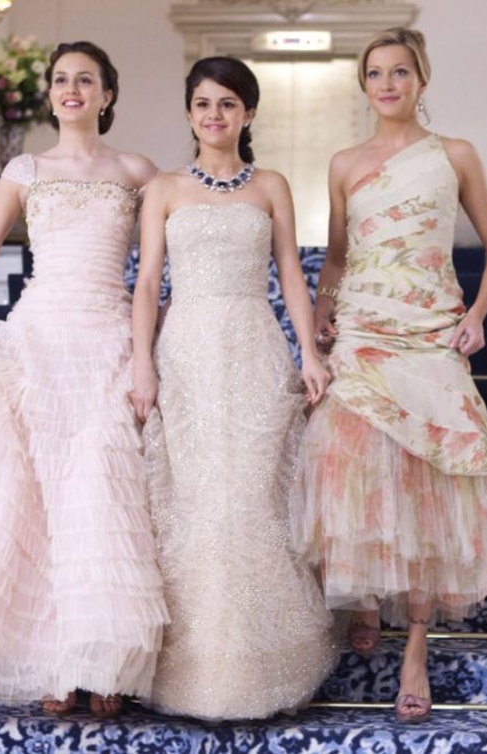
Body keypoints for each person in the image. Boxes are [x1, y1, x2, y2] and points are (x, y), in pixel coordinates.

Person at [0, 41, 169, 717]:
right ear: (50, 94)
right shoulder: (25, 169)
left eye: (86, 80)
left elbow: (159, 267)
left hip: (108, 342)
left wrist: (149, 344)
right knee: (38, 505)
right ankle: (52, 663)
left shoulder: (137, 170)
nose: (72, 89)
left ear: (107, 94)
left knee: (99, 497)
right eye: (62, 79)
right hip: (37, 342)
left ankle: (104, 663)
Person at [294, 27, 487, 724]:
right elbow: (336, 257)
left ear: (421, 79)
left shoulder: (454, 155)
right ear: (363, 85)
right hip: (361, 329)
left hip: (429, 331)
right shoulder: (343, 163)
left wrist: (477, 314)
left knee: (425, 483)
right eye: (375, 74)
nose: (386, 84)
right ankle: (362, 594)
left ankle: (414, 646)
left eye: (398, 72)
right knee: (348, 460)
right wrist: (321, 317)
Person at [130, 55, 339, 720]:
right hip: (186, 354)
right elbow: (146, 283)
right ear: (188, 113)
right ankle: (194, 672)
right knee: (194, 507)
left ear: (247, 113)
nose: (214, 115)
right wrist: (142, 363)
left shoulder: (271, 185)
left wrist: (309, 353)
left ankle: (262, 669)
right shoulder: (163, 188)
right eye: (203, 104)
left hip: (254, 350)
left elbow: (290, 273)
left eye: (227, 103)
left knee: (251, 503)